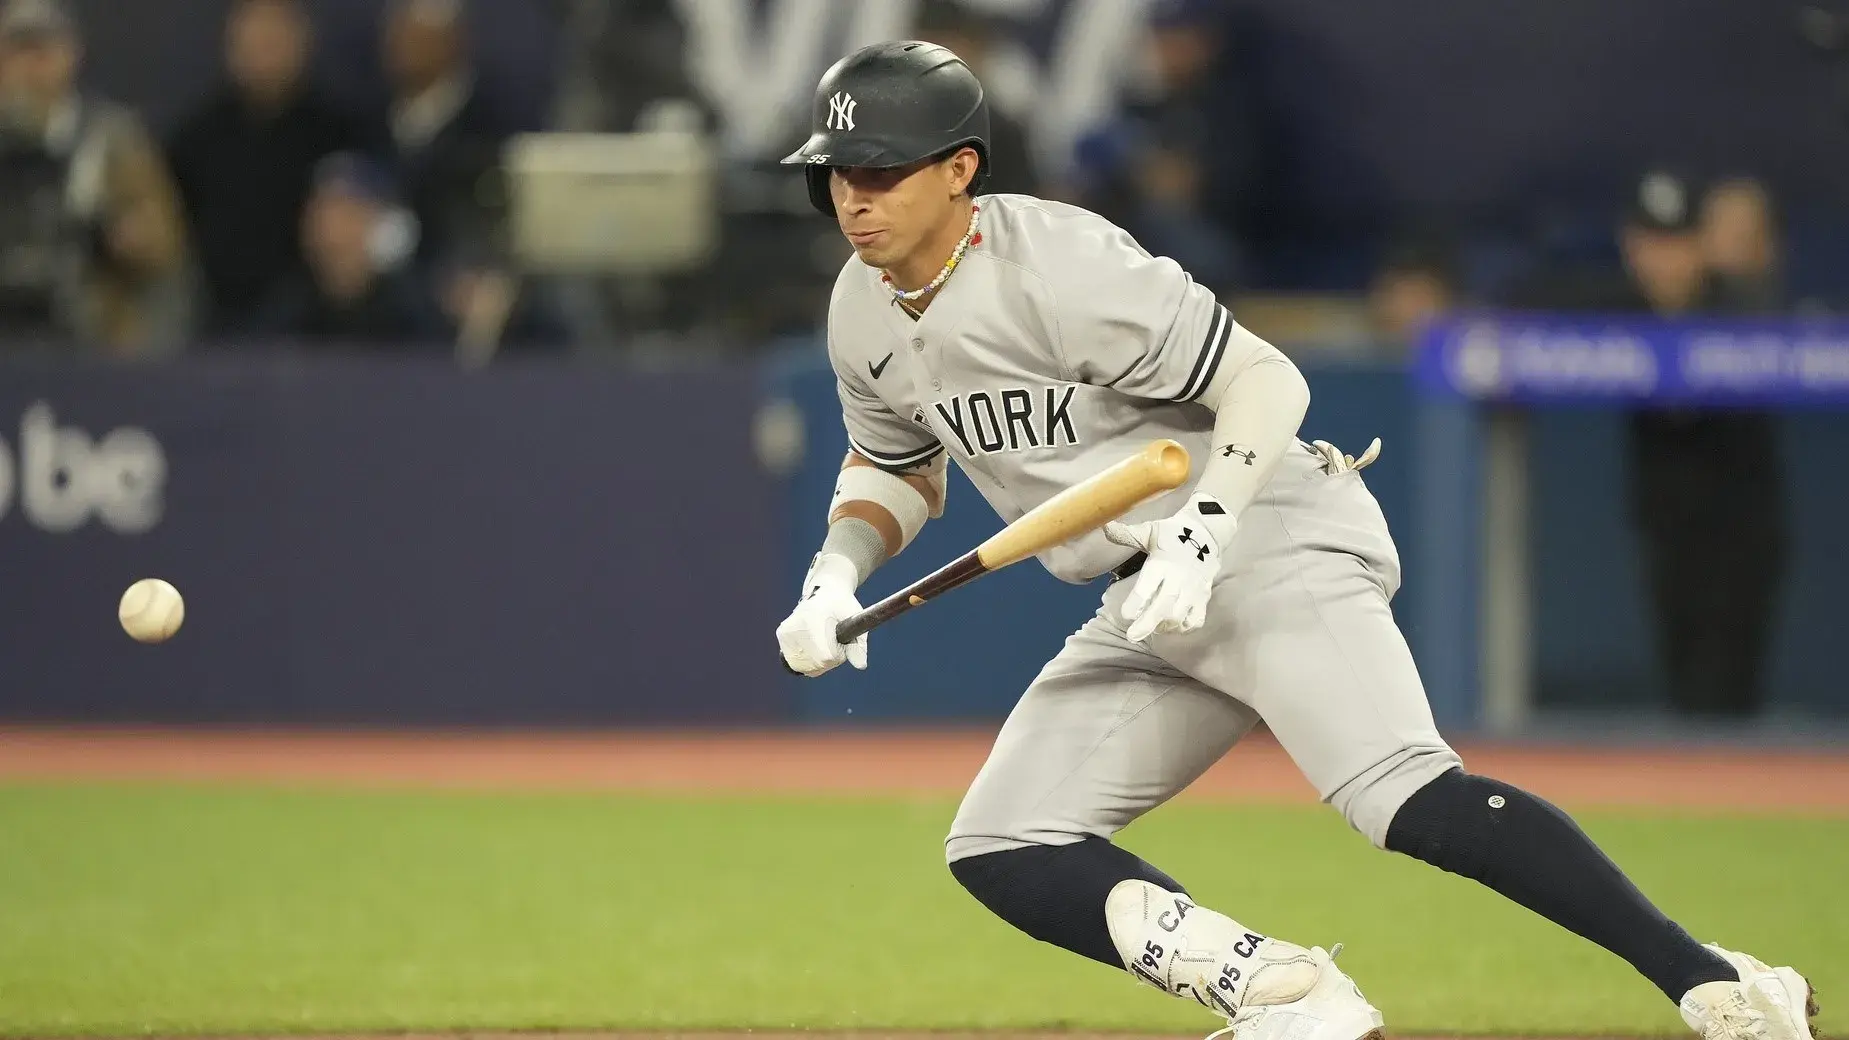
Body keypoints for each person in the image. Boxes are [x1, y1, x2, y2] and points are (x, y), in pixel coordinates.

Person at [772, 43, 1817, 1040]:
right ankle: (1286, 987)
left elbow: (1266, 381)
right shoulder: (858, 310)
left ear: (959, 169)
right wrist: (836, 570)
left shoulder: (1061, 266)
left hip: (1265, 527)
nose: (852, 197)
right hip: (1143, 596)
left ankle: (1718, 983)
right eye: (835, 174)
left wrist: (1209, 526)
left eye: (880, 171)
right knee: (1003, 843)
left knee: (1406, 798)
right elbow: (897, 465)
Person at [1617, 171, 1788, 717]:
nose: (1664, 260)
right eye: (1652, 243)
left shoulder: (1742, 307)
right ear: (1630, 246)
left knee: (1726, 687)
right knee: (1683, 681)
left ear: (1702, 245)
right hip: (1664, 526)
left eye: (1678, 242)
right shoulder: (1615, 309)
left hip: (1741, 526)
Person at [165, 0, 369, 337]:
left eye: (274, 43)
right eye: (252, 44)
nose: (262, 56)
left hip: (310, 321)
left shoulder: (338, 134)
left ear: (302, 46)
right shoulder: (197, 137)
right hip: (211, 316)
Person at [0, 0, 190, 353]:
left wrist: (128, 237)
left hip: (85, 334)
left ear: (71, 54)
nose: (31, 68)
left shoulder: (113, 141)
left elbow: (165, 249)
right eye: (18, 51)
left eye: (42, 51)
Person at [251, 152, 448, 347]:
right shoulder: (289, 306)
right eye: (321, 211)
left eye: (347, 214)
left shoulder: (409, 312)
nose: (330, 228)